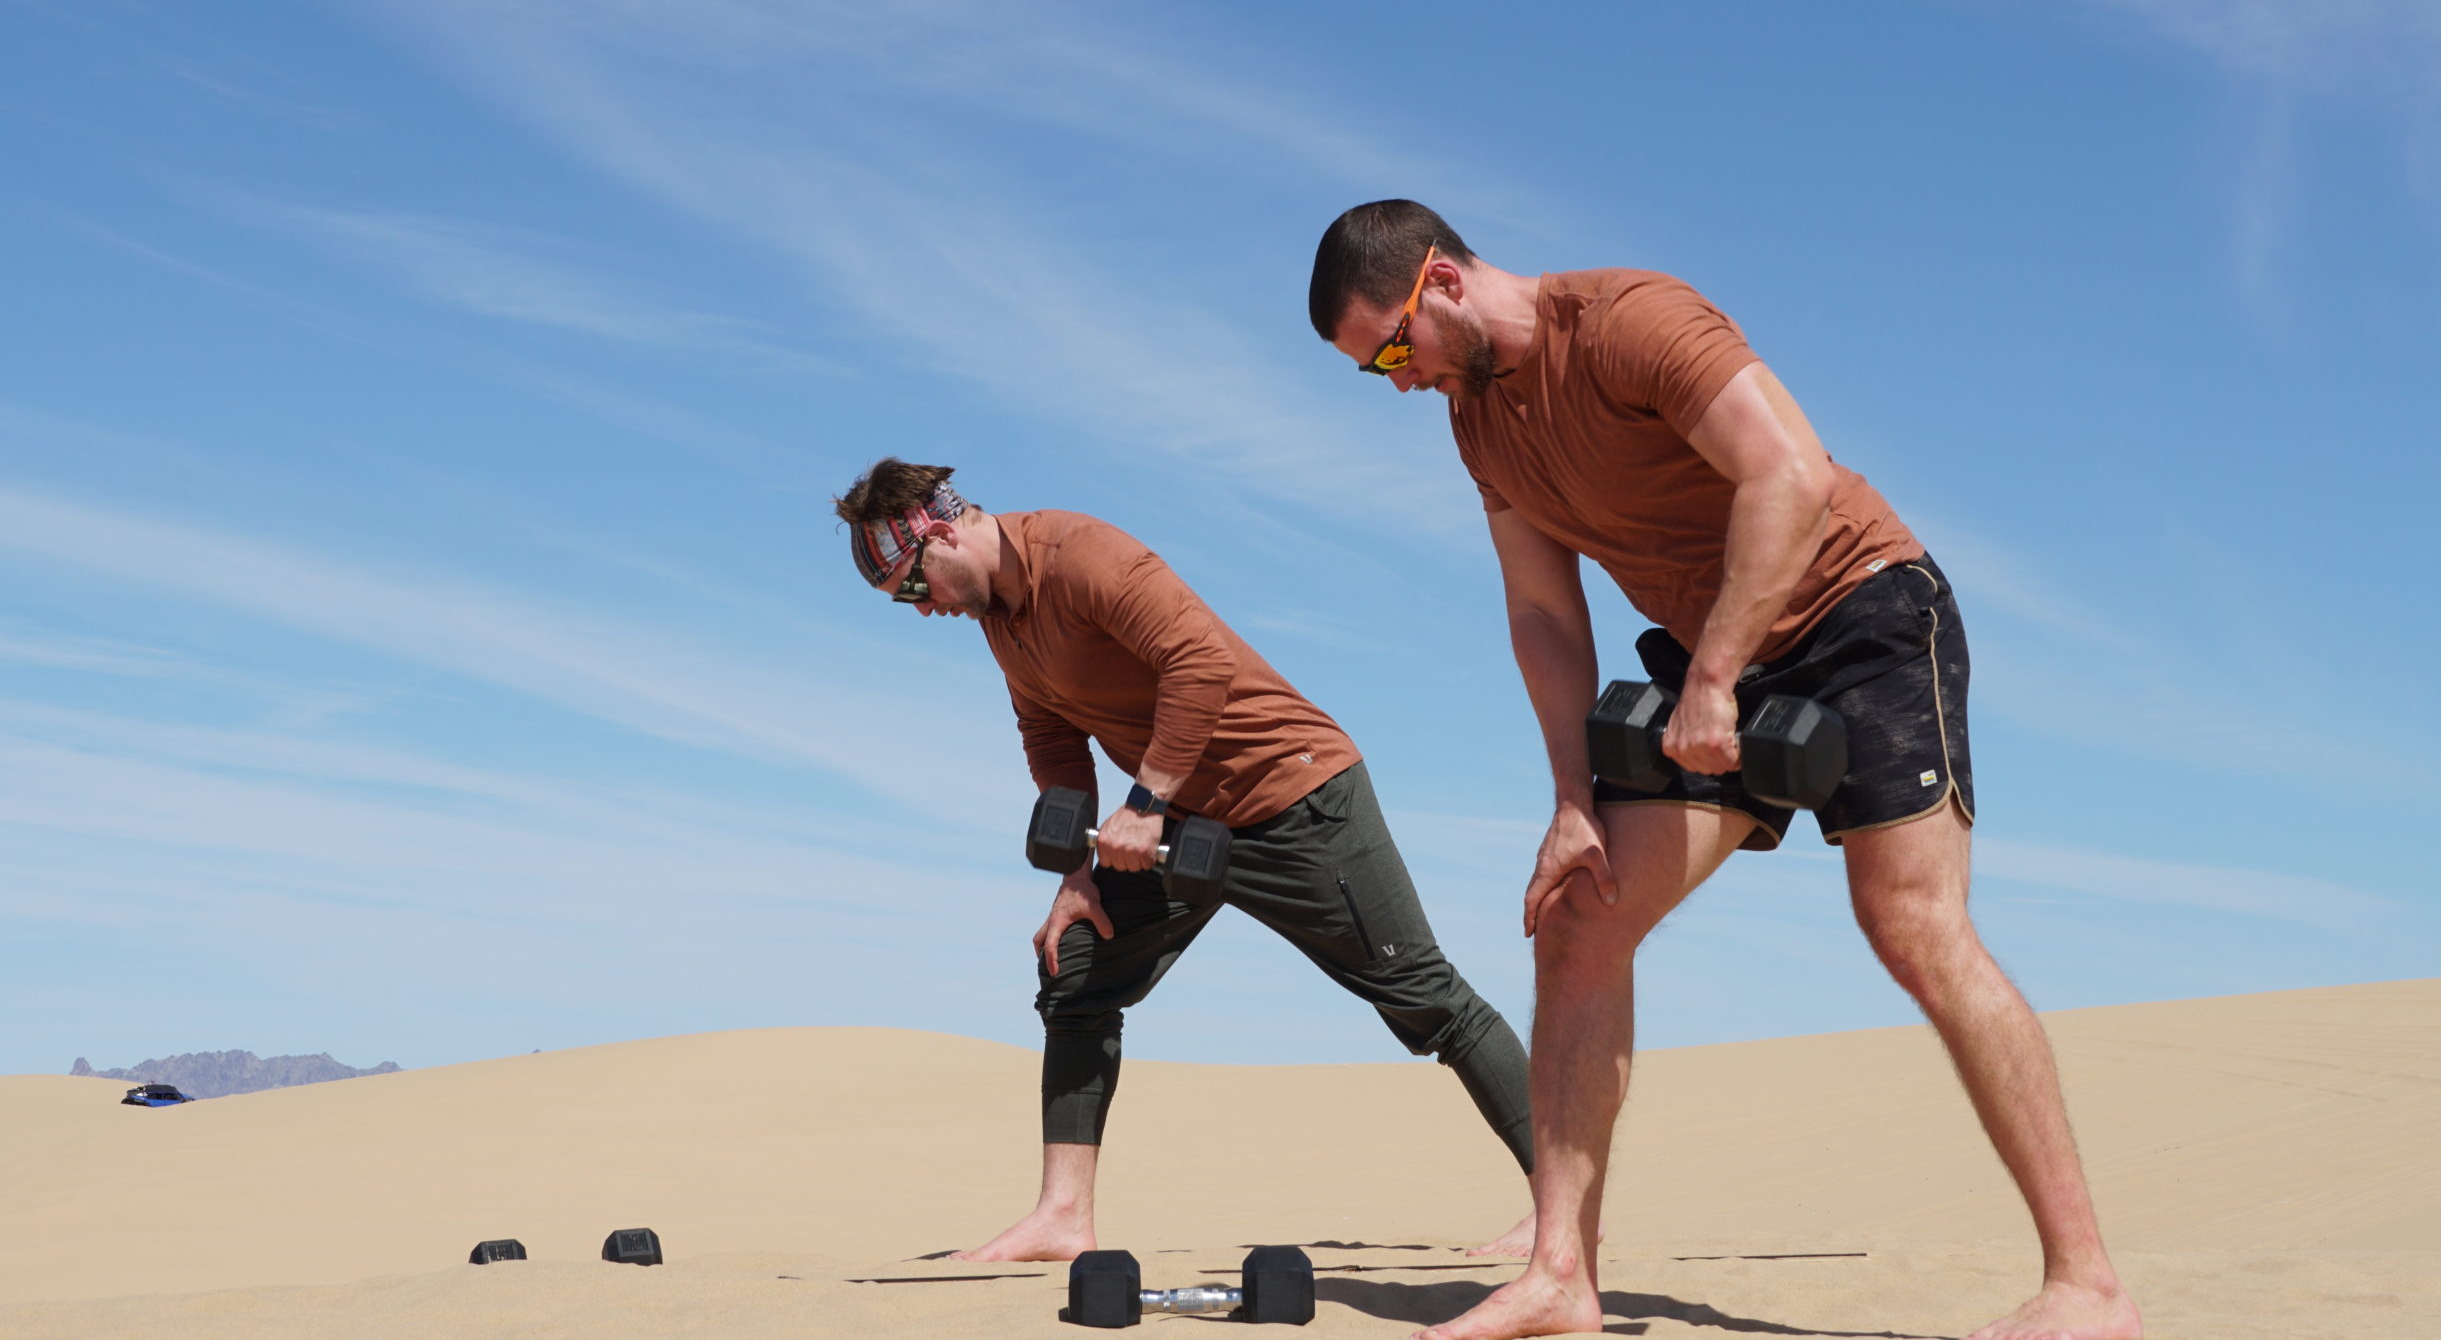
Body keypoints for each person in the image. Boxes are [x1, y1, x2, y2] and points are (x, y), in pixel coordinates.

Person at [1304, 201, 2141, 1340]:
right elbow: (1544, 612)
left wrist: (1714, 682)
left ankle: (2085, 1286)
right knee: (1578, 914)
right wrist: (1568, 802)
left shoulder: (1631, 320)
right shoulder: (1479, 427)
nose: (1398, 382)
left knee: (1912, 926)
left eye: (1394, 348)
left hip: (1861, 612)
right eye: (1373, 373)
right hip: (1718, 658)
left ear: (1442, 281)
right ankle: (1560, 1277)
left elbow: (1786, 474)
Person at [834, 457, 1536, 1261]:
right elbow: (1051, 734)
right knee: (1077, 966)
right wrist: (1074, 874)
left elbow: (1198, 661)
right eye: (904, 604)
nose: (923, 611)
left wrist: (1144, 801)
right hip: (1183, 823)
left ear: (942, 531)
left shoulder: (1083, 555)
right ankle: (1063, 1216)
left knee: (1427, 999)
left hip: (1297, 796)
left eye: (915, 587)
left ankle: (1563, 1203)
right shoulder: (1004, 620)